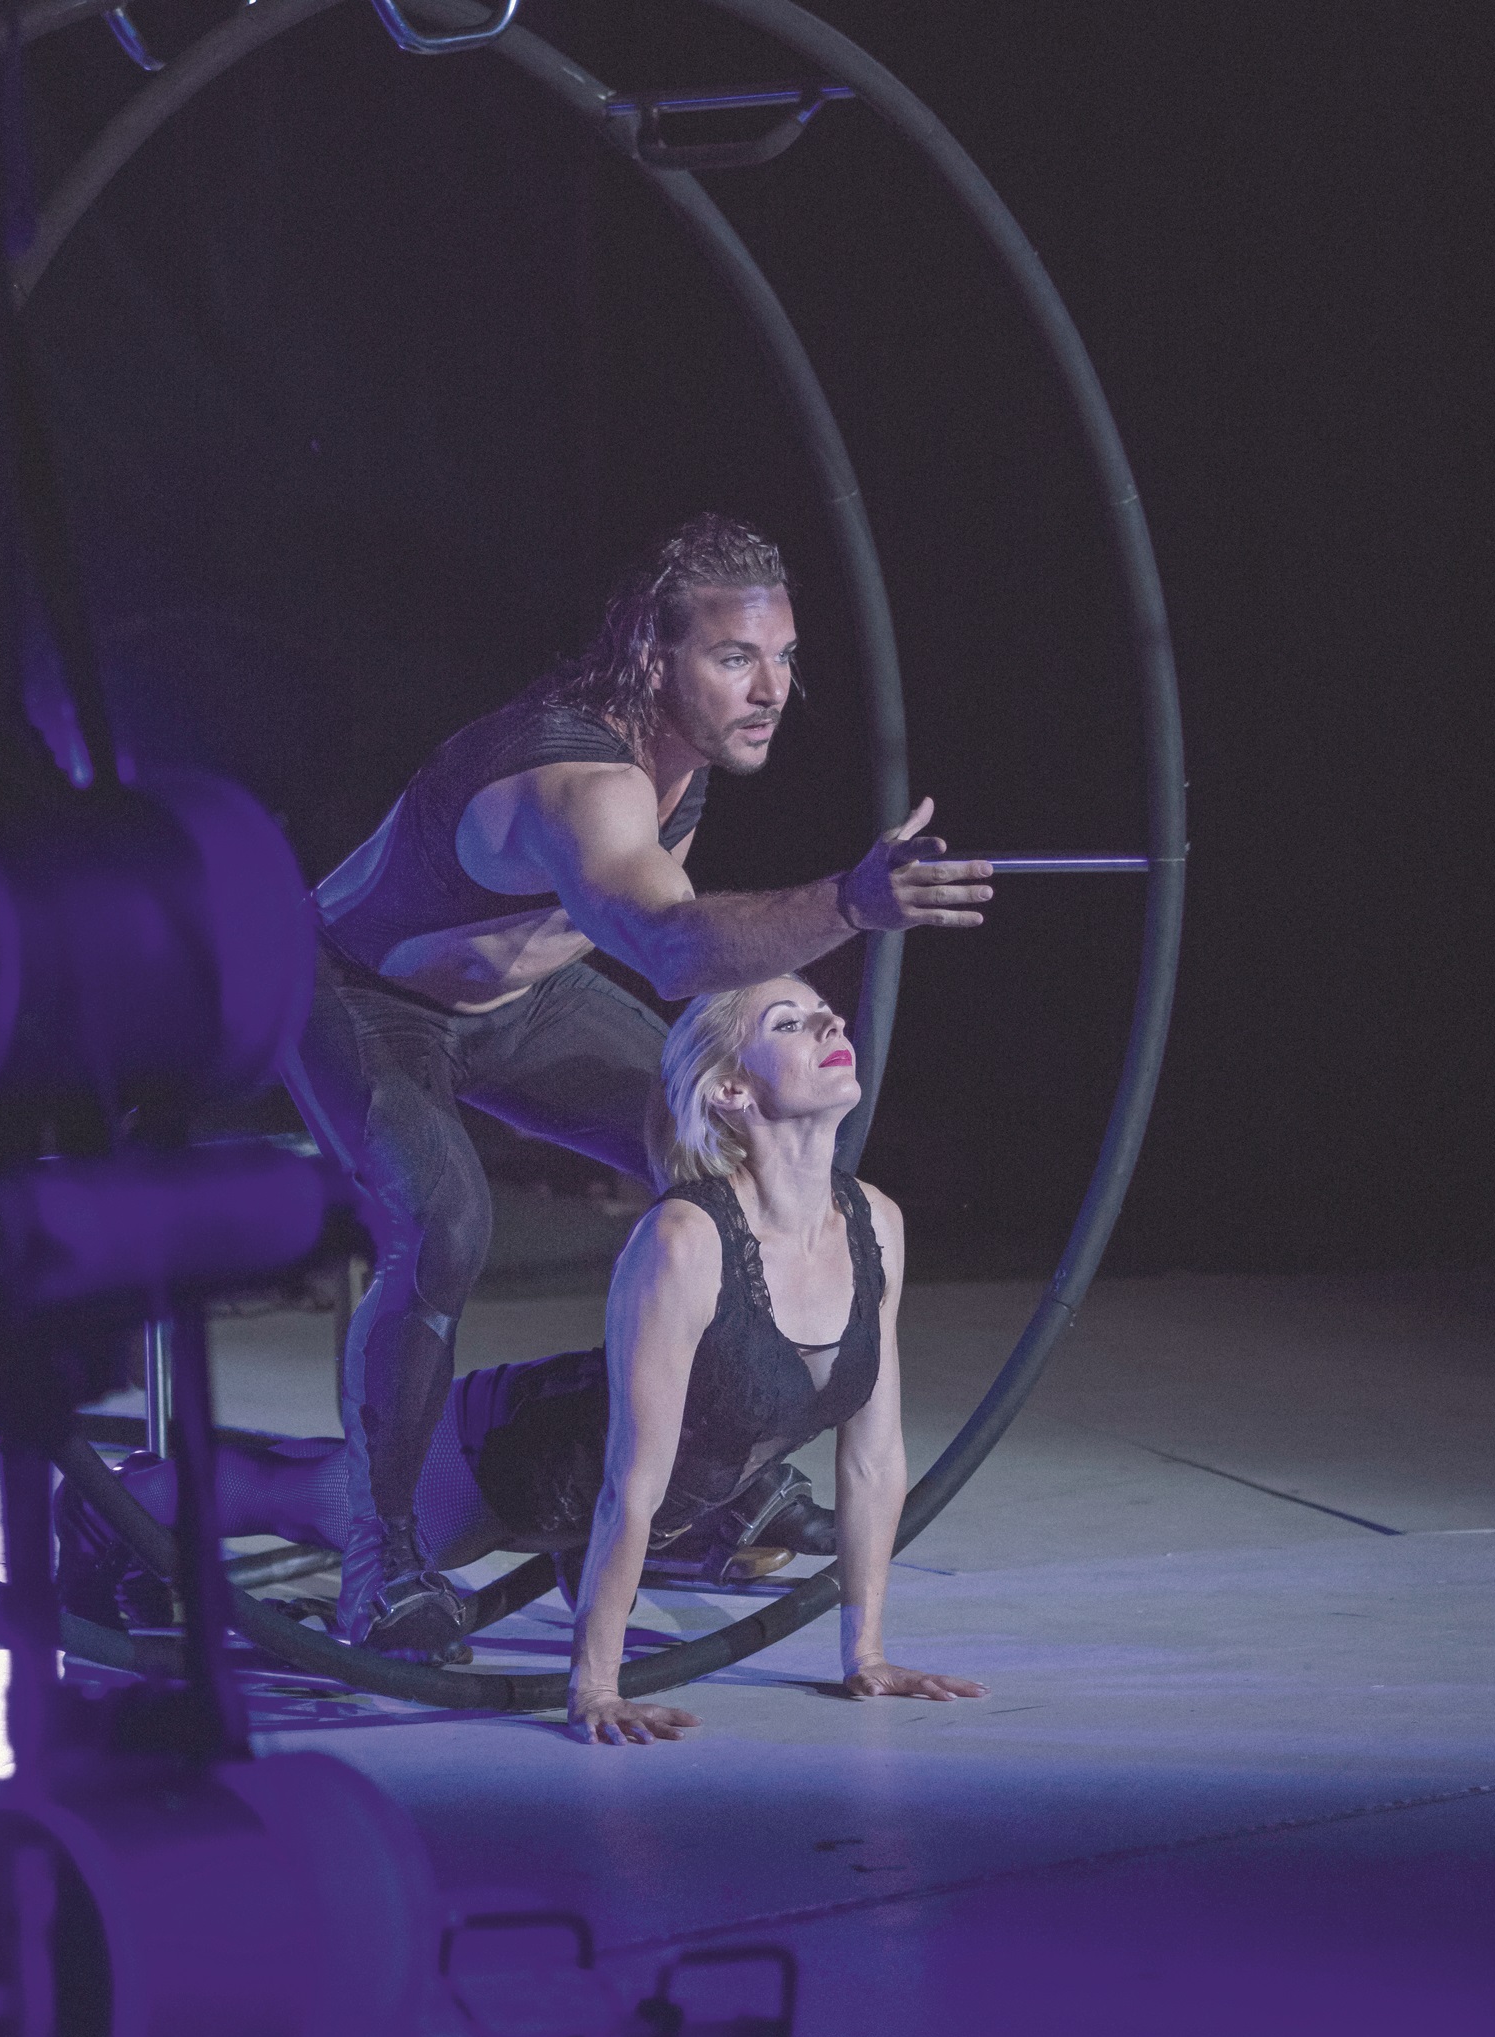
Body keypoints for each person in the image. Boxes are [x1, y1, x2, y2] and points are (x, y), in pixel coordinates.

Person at [283, 514, 994, 1663]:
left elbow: (692, 969)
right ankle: (384, 1561)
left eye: (783, 657)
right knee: (445, 1223)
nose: (770, 690)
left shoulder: (680, 767)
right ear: (654, 661)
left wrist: (764, 1074)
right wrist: (849, 904)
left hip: (525, 1002)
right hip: (358, 996)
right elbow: (667, 947)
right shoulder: (579, 780)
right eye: (734, 659)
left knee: (753, 1165)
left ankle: (701, 1488)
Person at [57, 976, 986, 1738]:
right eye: (788, 1021)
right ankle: (108, 1506)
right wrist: (596, 1686)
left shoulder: (876, 1221)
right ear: (731, 1091)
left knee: (313, 1481)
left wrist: (866, 1655)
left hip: (645, 1480)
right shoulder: (685, 1239)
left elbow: (873, 1458)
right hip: (509, 1464)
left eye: (825, 1009)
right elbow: (629, 1482)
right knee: (304, 1497)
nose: (830, 1023)